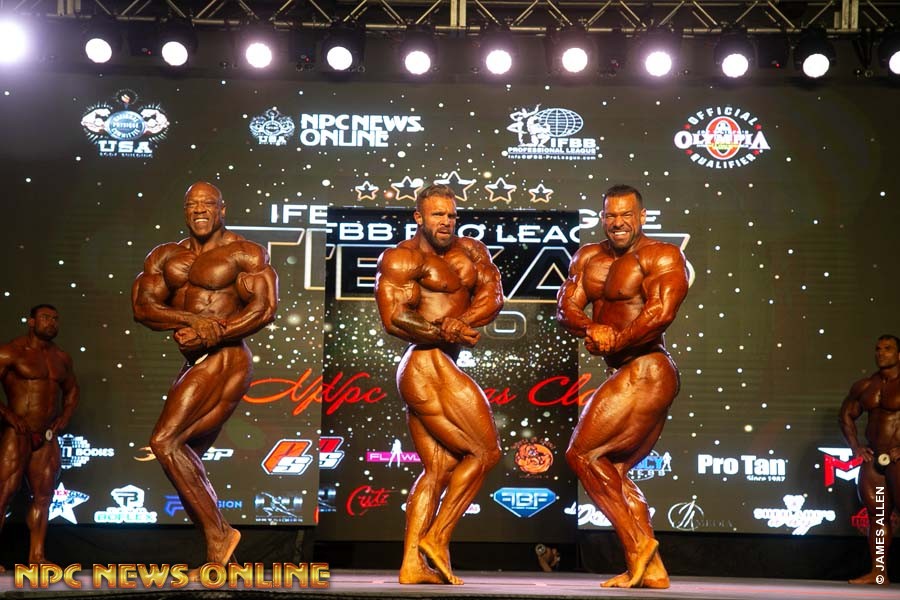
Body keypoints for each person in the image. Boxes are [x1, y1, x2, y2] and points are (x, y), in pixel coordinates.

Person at [132, 181, 278, 567]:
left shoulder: (244, 252)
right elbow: (143, 307)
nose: (199, 210)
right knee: (184, 455)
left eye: (207, 203)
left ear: (221, 209)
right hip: (196, 360)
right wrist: (192, 321)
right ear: (185, 211)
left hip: (227, 356)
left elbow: (264, 308)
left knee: (165, 441)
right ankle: (223, 552)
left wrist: (217, 331)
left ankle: (220, 535)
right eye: (192, 204)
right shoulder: (166, 256)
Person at [556, 184, 688, 589]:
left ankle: (638, 547)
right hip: (627, 371)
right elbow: (565, 308)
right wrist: (592, 327)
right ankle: (654, 569)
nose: (618, 222)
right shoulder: (588, 257)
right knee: (611, 468)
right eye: (611, 215)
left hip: (648, 367)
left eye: (626, 215)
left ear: (641, 217)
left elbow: (661, 312)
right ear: (602, 218)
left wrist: (616, 340)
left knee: (582, 454)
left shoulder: (662, 255)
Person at [374, 184, 504, 585]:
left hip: (441, 361)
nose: (446, 222)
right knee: (485, 452)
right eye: (437, 215)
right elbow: (394, 317)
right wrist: (440, 331)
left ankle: (412, 564)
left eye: (451, 215)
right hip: (425, 361)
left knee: (439, 469)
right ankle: (436, 537)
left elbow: (493, 296)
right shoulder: (402, 258)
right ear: (419, 217)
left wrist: (459, 323)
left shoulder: (472, 251)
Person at [0, 304, 79, 570]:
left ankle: (37, 557)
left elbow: (72, 390)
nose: (51, 322)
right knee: (3, 493)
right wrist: (8, 415)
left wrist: (64, 417)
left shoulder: (61, 358)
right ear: (31, 321)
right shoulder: (11, 351)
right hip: (18, 432)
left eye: (55, 319)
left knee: (44, 497)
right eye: (45, 318)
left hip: (46, 436)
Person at [839, 334, 900, 585]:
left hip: (899, 458)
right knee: (878, 516)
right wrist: (856, 447)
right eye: (877, 349)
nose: (881, 353)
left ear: (899, 354)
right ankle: (879, 573)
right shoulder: (865, 386)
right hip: (875, 460)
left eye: (887, 348)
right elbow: (846, 415)